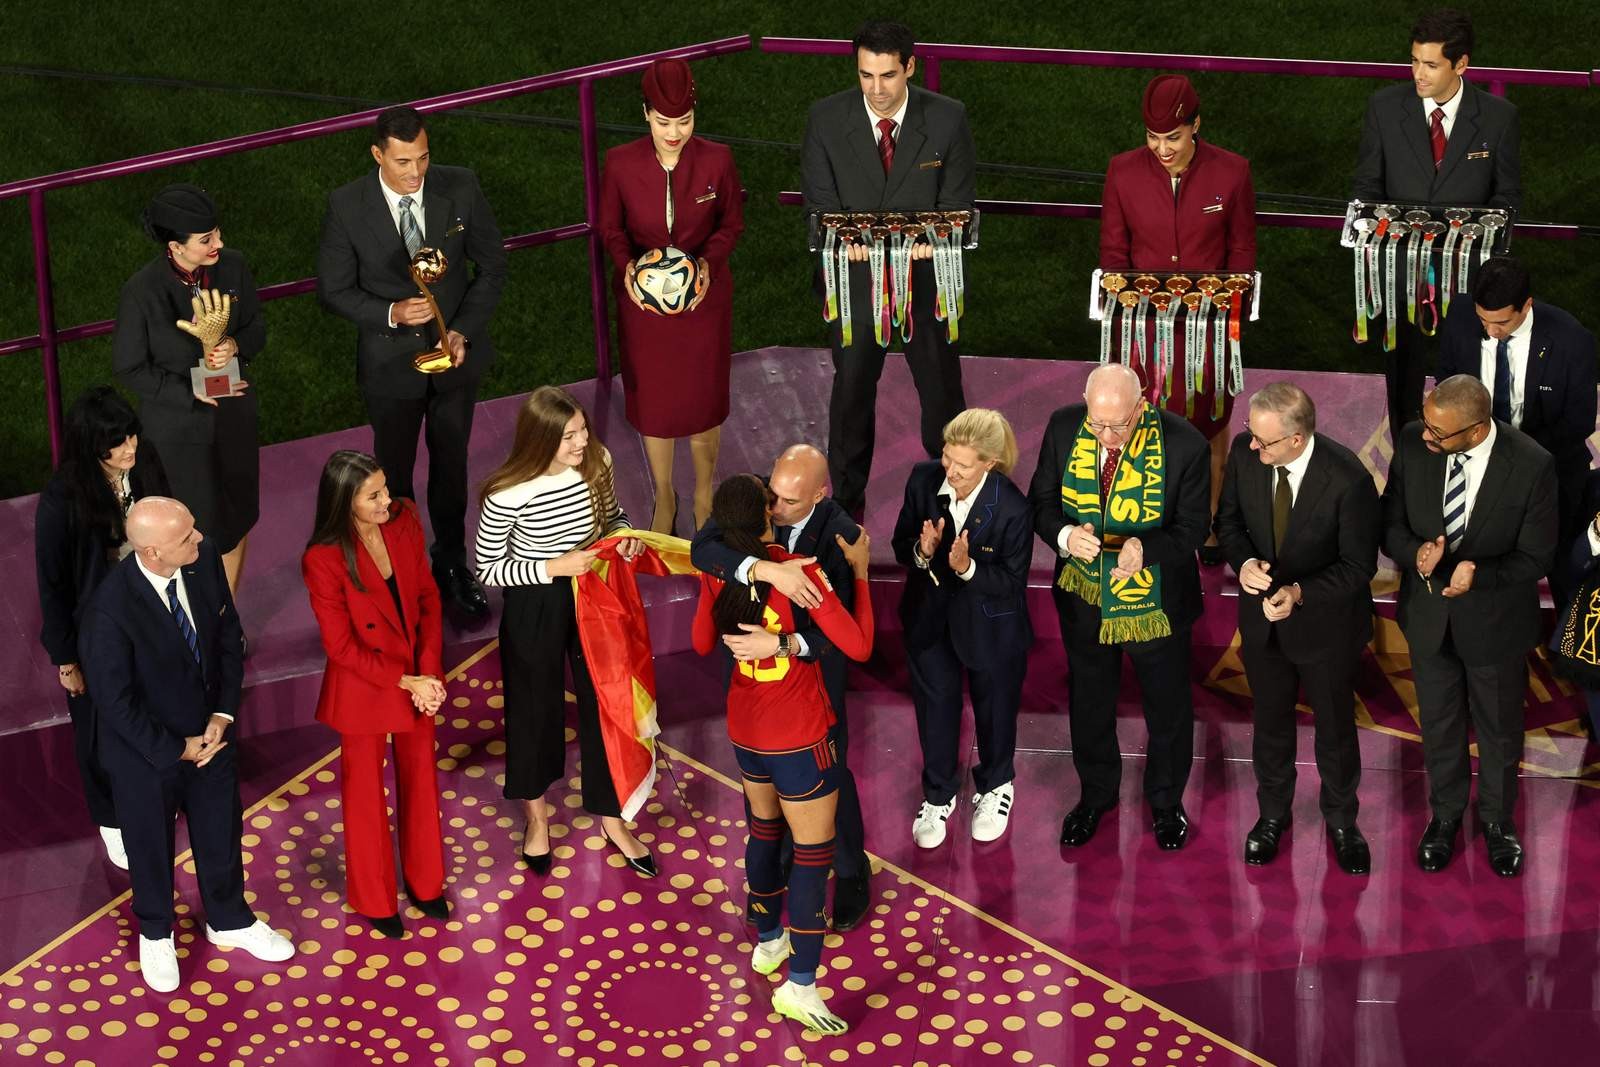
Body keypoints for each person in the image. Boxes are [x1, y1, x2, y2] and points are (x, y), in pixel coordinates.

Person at [78, 498, 294, 993]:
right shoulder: (108, 610)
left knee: (221, 829)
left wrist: (222, 715)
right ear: (152, 553)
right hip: (146, 754)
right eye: (186, 538)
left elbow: (226, 639)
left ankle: (229, 919)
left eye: (194, 530)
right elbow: (115, 702)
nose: (200, 539)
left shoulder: (203, 558)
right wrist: (177, 747)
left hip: (212, 737)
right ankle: (156, 932)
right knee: (149, 845)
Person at [691, 472, 875, 1037]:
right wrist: (862, 574)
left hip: (745, 727)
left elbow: (702, 643)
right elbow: (860, 646)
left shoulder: (717, 568)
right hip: (798, 734)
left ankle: (768, 942)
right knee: (813, 859)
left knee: (763, 834)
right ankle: (801, 984)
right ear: (768, 515)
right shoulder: (802, 572)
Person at [318, 105, 508, 621]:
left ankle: (450, 565)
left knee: (451, 467)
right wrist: (391, 312)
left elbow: (492, 267)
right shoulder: (347, 205)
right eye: (403, 162)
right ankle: (406, 574)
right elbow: (333, 290)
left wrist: (461, 331)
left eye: (423, 158)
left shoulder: (460, 186)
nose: (415, 172)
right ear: (378, 154)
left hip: (454, 364)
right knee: (393, 477)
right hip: (390, 369)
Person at [472, 386, 653, 877]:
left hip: (594, 591)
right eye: (569, 436)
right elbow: (489, 569)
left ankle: (613, 819)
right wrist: (554, 567)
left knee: (607, 704)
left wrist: (625, 538)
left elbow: (613, 518)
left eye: (583, 431)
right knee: (534, 709)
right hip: (539, 600)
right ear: (541, 439)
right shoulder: (506, 492)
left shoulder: (598, 463)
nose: (581, 443)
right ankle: (536, 819)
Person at [800, 18, 975, 520]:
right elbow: (818, 206)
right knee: (852, 387)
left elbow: (958, 205)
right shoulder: (826, 119)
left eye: (888, 76)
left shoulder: (947, 119)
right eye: (866, 75)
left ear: (910, 68)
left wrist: (929, 241)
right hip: (854, 283)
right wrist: (843, 240)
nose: (876, 89)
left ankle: (954, 493)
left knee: (941, 389)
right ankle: (846, 502)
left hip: (925, 284)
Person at [1029, 363, 1209, 851]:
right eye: (1097, 423)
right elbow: (1041, 501)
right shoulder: (1064, 426)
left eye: (1119, 424)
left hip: (1157, 603)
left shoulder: (1185, 444)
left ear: (1142, 405)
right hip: (1085, 596)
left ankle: (1167, 802)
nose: (1106, 436)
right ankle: (1096, 795)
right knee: (1090, 701)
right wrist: (1065, 536)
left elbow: (1193, 527)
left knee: (1168, 709)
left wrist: (1145, 551)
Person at [1382, 375, 1556, 877]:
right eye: (1428, 427)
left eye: (1440, 434)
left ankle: (1499, 822)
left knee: (1500, 729)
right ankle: (1446, 815)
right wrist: (1416, 553)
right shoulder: (1417, 444)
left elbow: (1538, 555)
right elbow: (1389, 521)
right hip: (1429, 617)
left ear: (1477, 430)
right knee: (1439, 724)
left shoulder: (1531, 465)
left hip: (1496, 623)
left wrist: (1480, 574)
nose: (1426, 439)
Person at [1215, 383, 1380, 874]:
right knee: (1269, 727)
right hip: (1263, 627)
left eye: (1263, 441)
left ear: (1296, 438)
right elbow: (1228, 525)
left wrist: (1300, 593)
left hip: (1326, 629)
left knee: (1334, 729)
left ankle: (1343, 822)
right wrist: (1243, 562)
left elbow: (1358, 566)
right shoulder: (1249, 460)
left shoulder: (1347, 479)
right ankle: (1272, 817)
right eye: (1251, 434)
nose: (1251, 447)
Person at [1100, 73, 1256, 566]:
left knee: (1211, 424)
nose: (1161, 149)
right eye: (1152, 138)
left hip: (1209, 326)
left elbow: (1241, 251)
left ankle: (1209, 523)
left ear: (1195, 126)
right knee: (1138, 422)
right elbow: (1113, 252)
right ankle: (1141, 517)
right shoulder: (1122, 172)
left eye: (1172, 137)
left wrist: (1231, 324)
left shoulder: (1232, 173)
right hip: (1140, 327)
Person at [1351, 8, 1522, 438]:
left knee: (1465, 369)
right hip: (1400, 273)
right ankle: (1407, 459)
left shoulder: (1499, 117)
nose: (1418, 74)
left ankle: (1467, 446)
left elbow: (1506, 199)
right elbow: (1368, 187)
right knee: (1402, 373)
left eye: (1430, 64)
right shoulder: (1385, 108)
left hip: (1466, 276)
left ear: (1461, 64)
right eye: (1413, 61)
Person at [302, 450, 449, 938]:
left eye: (385, 488)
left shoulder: (403, 520)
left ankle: (426, 886)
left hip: (416, 677)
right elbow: (340, 645)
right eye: (375, 495)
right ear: (346, 504)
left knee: (421, 779)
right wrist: (405, 680)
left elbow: (427, 597)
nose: (389, 500)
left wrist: (428, 674)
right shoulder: (323, 558)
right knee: (364, 795)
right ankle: (374, 898)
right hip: (368, 683)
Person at [600, 58, 745, 533]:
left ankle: (704, 493)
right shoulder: (620, 163)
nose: (674, 132)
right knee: (656, 406)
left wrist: (706, 264)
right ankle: (665, 494)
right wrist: (628, 270)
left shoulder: (717, 160)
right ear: (646, 114)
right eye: (664, 122)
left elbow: (730, 225)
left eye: (684, 122)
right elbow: (612, 229)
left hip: (704, 300)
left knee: (704, 401)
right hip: (646, 307)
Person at [35, 387, 172, 869]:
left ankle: (155, 792)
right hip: (97, 630)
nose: (129, 447)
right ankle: (111, 819)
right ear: (92, 445)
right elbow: (52, 585)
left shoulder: (147, 461)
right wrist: (66, 659)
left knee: (155, 703)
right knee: (96, 728)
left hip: (153, 615)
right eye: (116, 442)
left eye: (131, 435)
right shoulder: (63, 498)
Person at [891, 409, 1033, 848]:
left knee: (994, 711)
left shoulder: (1011, 507)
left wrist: (967, 568)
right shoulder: (922, 479)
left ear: (989, 463)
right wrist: (922, 549)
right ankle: (938, 795)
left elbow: (1011, 583)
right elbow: (900, 545)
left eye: (963, 464)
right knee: (935, 710)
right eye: (948, 457)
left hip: (991, 630)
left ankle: (995, 787)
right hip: (929, 619)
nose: (950, 470)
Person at [112, 183, 262, 596]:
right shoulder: (141, 292)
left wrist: (235, 345)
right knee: (187, 532)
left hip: (233, 418)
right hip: (178, 437)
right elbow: (129, 366)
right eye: (207, 239)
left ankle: (226, 615)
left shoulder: (234, 266)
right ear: (175, 247)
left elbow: (256, 328)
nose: (220, 243)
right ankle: (192, 619)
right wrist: (186, 393)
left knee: (236, 518)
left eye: (217, 233)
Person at [1437, 255, 1596, 602]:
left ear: (1526, 305)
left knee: (1558, 565)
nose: (1491, 332)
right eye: (1483, 321)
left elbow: (1579, 421)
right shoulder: (1461, 316)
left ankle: (1565, 646)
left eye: (1502, 323)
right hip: (1475, 461)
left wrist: (1514, 457)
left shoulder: (1572, 341)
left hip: (1550, 467)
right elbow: (1447, 380)